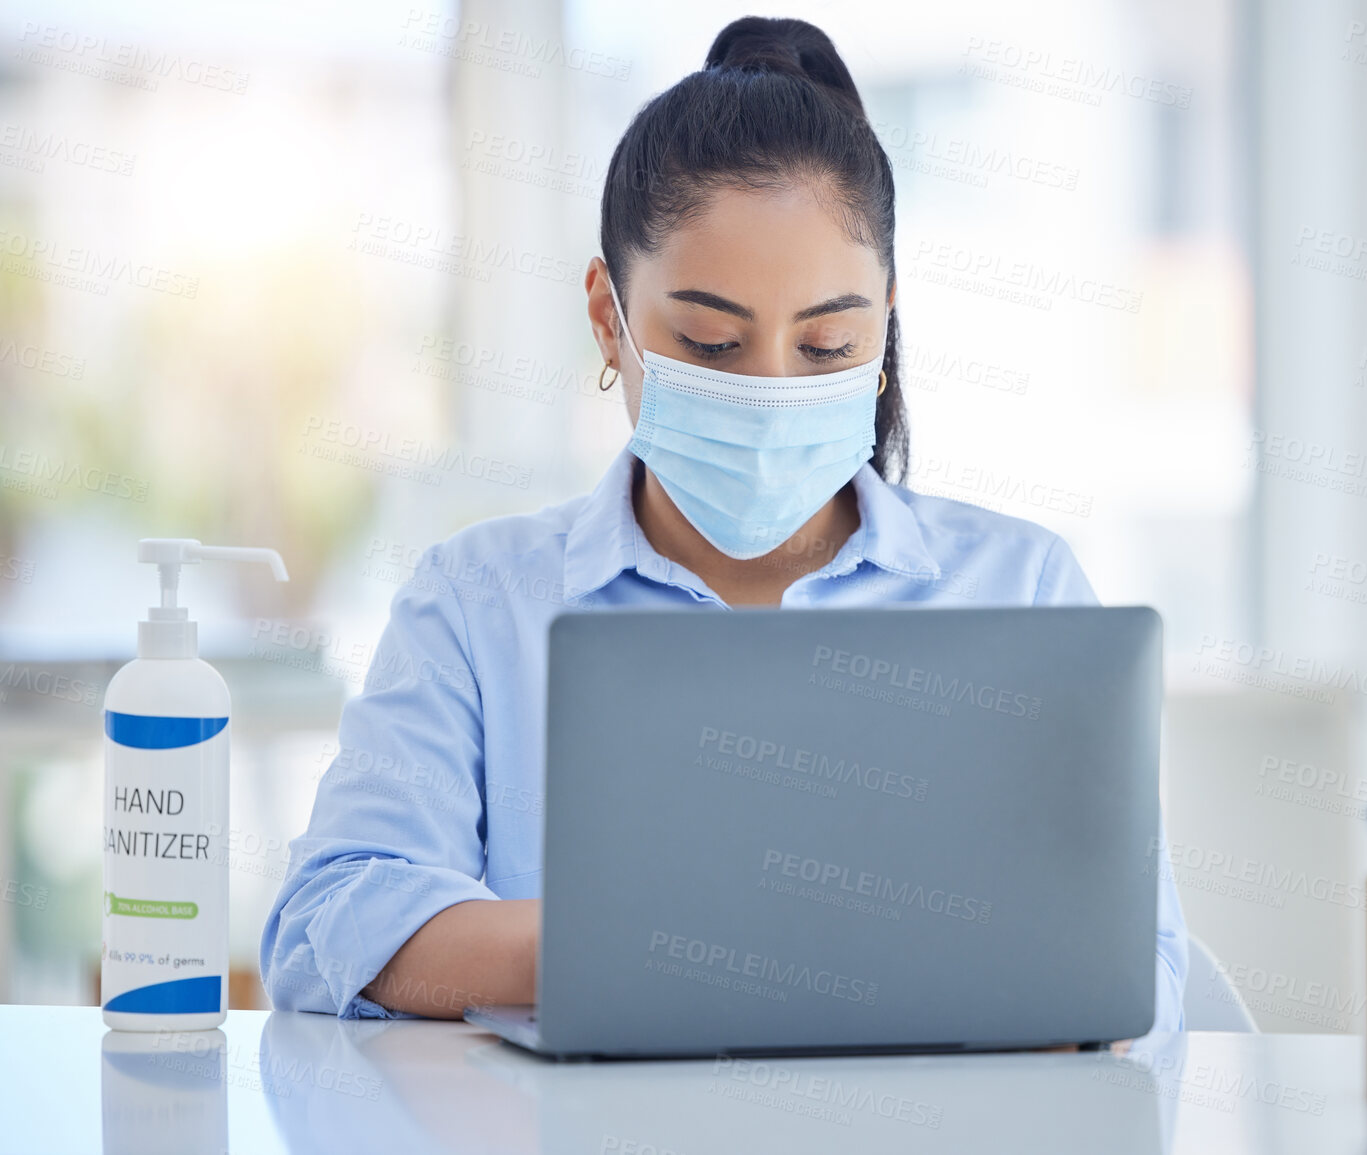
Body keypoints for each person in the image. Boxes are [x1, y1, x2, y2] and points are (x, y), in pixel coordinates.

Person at [260, 16, 1188, 1030]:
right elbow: (329, 930)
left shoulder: (1020, 591)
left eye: (829, 344)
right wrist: (665, 944)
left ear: (886, 321)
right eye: (710, 342)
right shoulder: (479, 603)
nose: (772, 390)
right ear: (609, 318)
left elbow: (1134, 965)